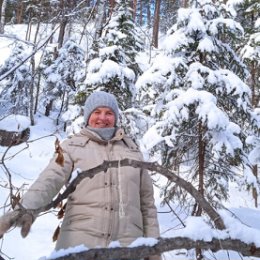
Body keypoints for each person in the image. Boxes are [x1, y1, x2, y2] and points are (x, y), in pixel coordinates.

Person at [0, 91, 161, 260]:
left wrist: (154, 248)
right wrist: (27, 208)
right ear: (88, 116)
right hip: (80, 244)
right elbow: (50, 179)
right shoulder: (71, 147)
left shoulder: (132, 151)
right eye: (97, 112)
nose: (103, 118)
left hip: (128, 247)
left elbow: (147, 205)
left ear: (115, 117)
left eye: (109, 113)